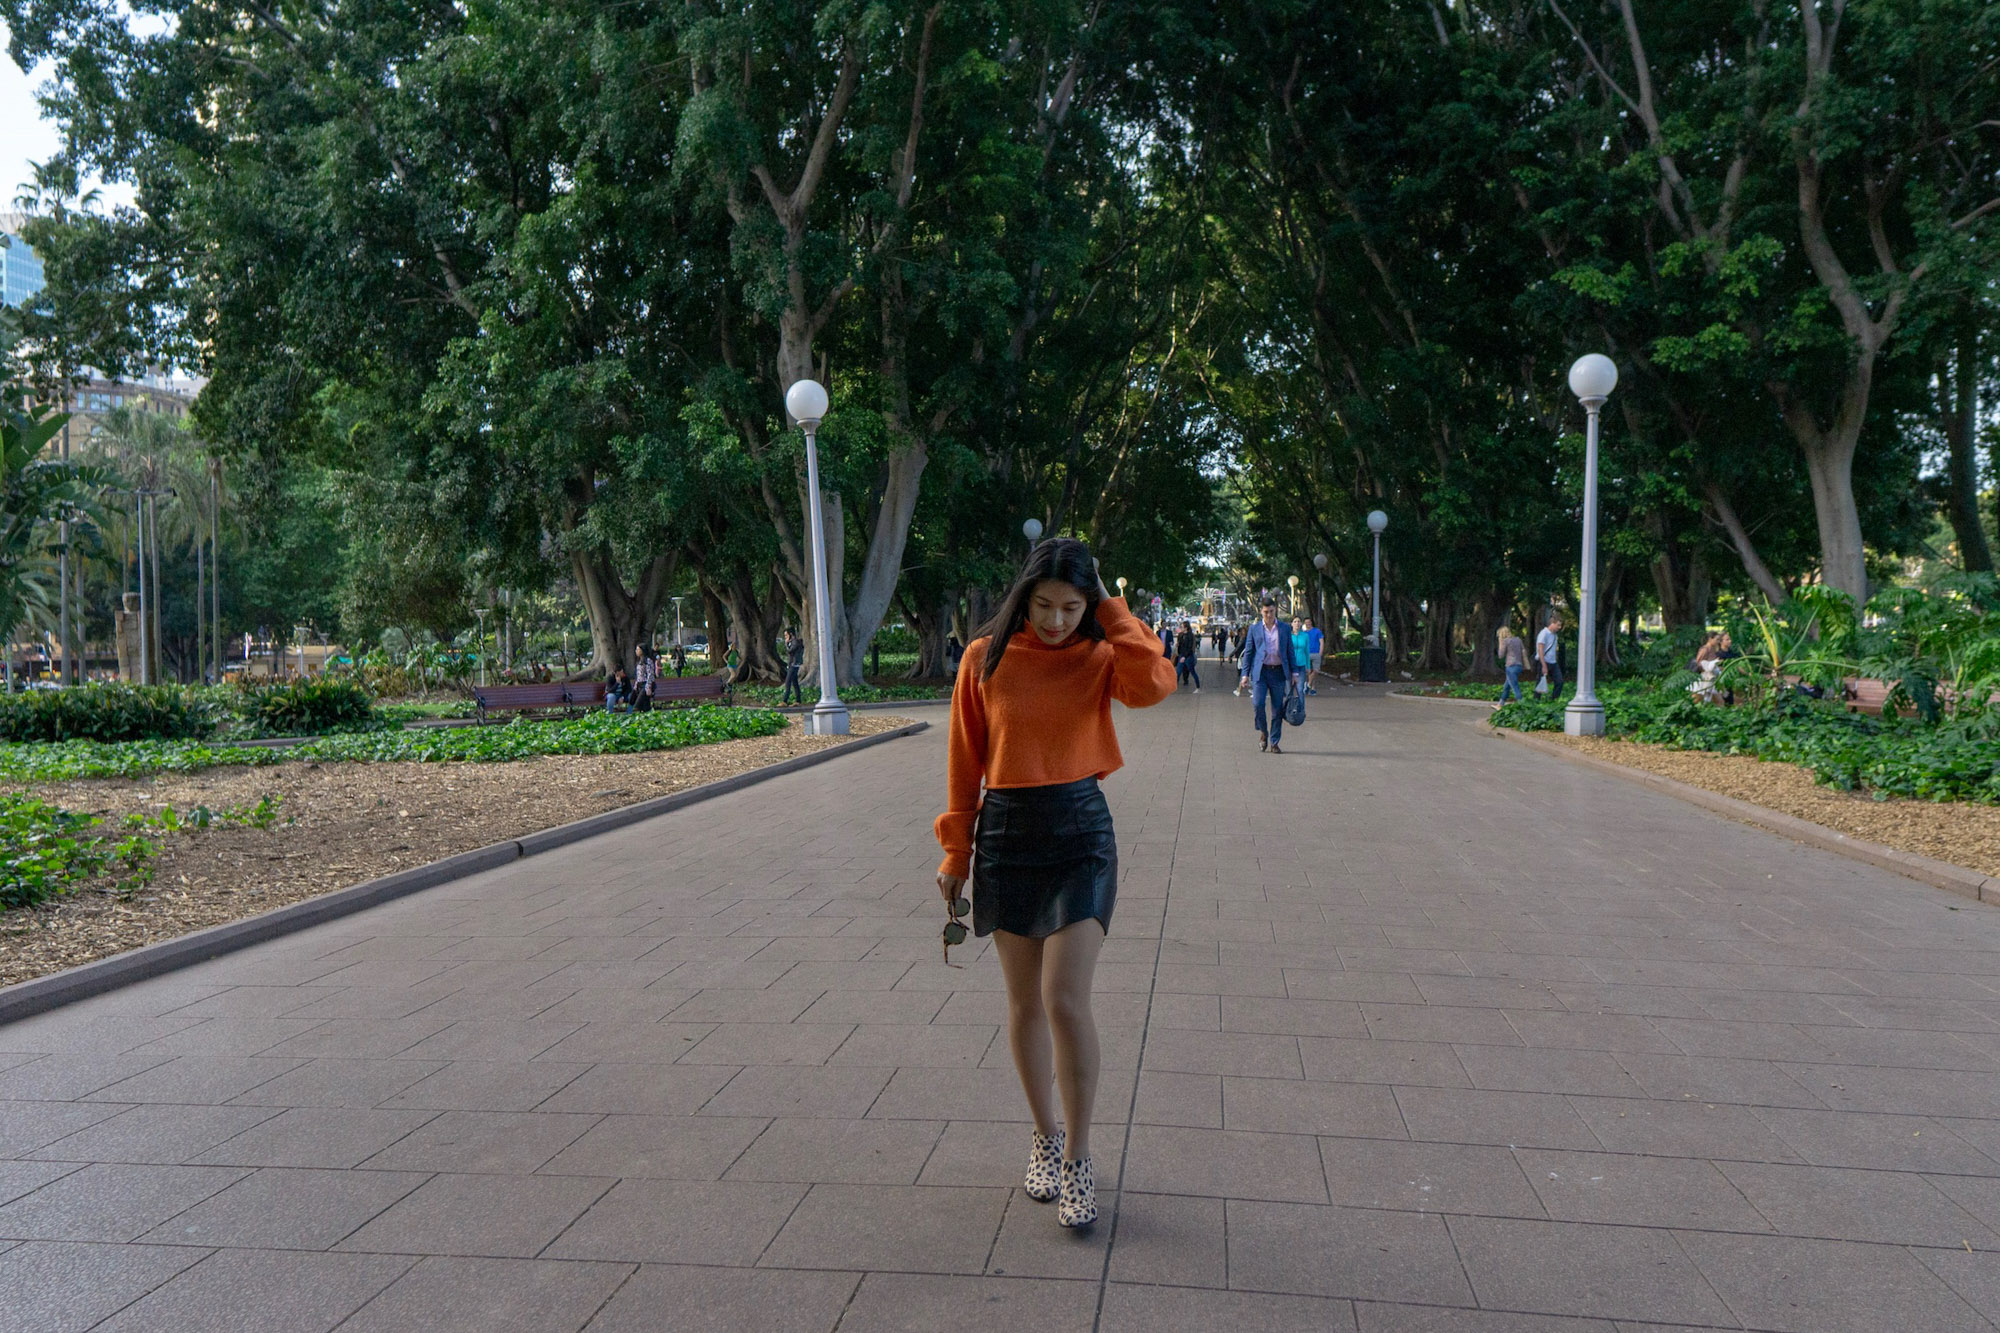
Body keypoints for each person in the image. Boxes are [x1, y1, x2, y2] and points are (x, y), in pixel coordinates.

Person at [934, 538, 1175, 1230]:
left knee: (1064, 997)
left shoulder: (1101, 656)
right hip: (1007, 836)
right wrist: (955, 853)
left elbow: (1155, 683)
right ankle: (1043, 1133)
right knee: (1024, 1003)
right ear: (1024, 596)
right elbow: (963, 761)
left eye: (1073, 607)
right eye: (1045, 605)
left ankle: (1079, 1154)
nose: (1058, 620)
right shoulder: (986, 659)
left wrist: (1110, 606)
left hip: (1080, 836)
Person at [1237, 598, 1297, 753]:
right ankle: (1263, 731)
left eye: (1271, 611)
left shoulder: (1284, 628)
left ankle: (1274, 742)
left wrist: (1294, 672)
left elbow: (1290, 650)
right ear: (1261, 611)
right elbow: (1249, 653)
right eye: (1265, 612)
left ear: (1275, 610)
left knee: (1277, 709)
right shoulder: (1254, 628)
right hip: (1260, 673)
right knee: (1258, 705)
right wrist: (1244, 674)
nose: (1269, 615)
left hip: (1278, 673)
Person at [1535, 613, 1564, 699]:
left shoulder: (1555, 636)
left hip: (1553, 662)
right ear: (1552, 623)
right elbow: (1540, 649)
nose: (1559, 627)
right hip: (1543, 661)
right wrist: (1544, 665)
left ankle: (1553, 699)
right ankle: (1536, 701)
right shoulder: (1544, 633)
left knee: (1559, 681)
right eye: (1558, 625)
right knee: (1540, 682)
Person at [1499, 625, 1528, 702]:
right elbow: (1523, 651)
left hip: (1510, 666)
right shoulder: (1518, 639)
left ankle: (1521, 704)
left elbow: (1500, 655)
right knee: (1507, 686)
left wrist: (1500, 643)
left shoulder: (1505, 641)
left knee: (1515, 687)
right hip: (1519, 666)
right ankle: (1500, 703)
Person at [1175, 622, 1202, 693]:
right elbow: (1180, 644)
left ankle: (1198, 687)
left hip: (1188, 656)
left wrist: (1185, 656)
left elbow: (1190, 647)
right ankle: (1173, 686)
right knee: (1178, 671)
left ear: (1186, 627)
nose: (1181, 628)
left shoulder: (1190, 635)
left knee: (1192, 671)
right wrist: (1178, 645)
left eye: (1182, 627)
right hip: (1181, 655)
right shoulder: (1181, 635)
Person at [1298, 617, 1322, 694]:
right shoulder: (1303, 633)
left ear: (1311, 622)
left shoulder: (1317, 631)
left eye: (1309, 622)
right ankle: (1312, 688)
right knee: (1308, 672)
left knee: (1316, 671)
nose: (1308, 623)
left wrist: (1320, 652)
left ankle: (1308, 685)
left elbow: (1321, 642)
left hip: (1316, 653)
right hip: (1306, 654)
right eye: (1306, 622)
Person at [781, 628, 805, 705]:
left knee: (788, 682)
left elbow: (790, 651)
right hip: (793, 663)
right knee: (795, 682)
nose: (785, 637)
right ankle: (798, 700)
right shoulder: (793, 642)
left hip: (794, 664)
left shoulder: (795, 642)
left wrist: (786, 644)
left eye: (786, 635)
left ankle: (785, 701)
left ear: (790, 634)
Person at [634, 646, 659, 711]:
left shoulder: (648, 661)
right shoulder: (639, 661)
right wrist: (636, 684)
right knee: (644, 705)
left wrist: (648, 686)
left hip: (646, 684)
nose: (636, 651)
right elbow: (638, 675)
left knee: (637, 704)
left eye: (638, 649)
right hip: (639, 684)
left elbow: (650, 674)